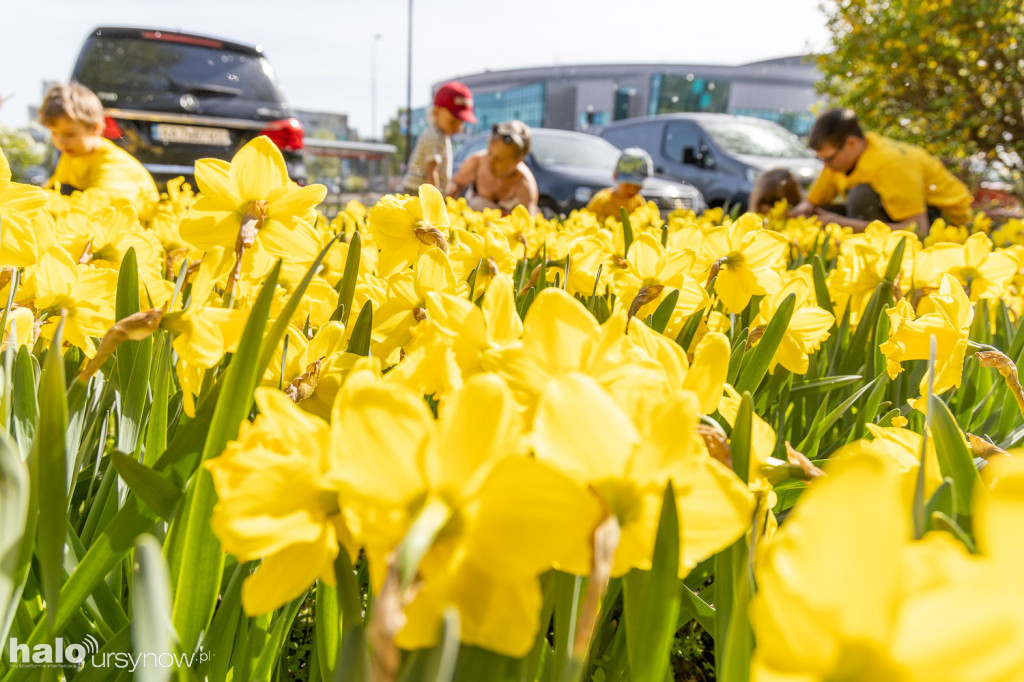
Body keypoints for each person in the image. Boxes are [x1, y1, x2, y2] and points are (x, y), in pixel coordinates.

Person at [788, 108, 972, 234]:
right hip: (907, 217)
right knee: (817, 215)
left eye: (828, 159)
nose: (826, 166)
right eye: (821, 160)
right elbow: (815, 199)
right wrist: (804, 208)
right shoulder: (845, 158)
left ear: (851, 143)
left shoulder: (890, 164)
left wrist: (846, 225)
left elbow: (918, 230)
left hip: (945, 222)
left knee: (861, 197)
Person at [40, 82, 159, 217]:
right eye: (54, 133)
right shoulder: (72, 153)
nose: (60, 141)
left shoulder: (113, 163)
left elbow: (95, 207)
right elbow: (52, 189)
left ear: (95, 129)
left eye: (70, 134)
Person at [448, 120, 539, 215]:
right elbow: (455, 185)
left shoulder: (525, 183)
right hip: (473, 225)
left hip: (505, 229)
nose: (491, 161)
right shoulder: (477, 162)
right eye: (490, 153)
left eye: (499, 159)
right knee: (478, 203)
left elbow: (528, 220)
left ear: (518, 161)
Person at [402, 81, 476, 194]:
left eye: (461, 122)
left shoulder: (441, 135)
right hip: (417, 191)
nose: (457, 127)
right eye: (452, 121)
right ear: (436, 112)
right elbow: (431, 172)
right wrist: (436, 203)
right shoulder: (434, 137)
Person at [585, 147, 652, 221]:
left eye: (637, 186)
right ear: (615, 176)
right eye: (628, 185)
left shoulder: (639, 202)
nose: (632, 190)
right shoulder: (601, 202)